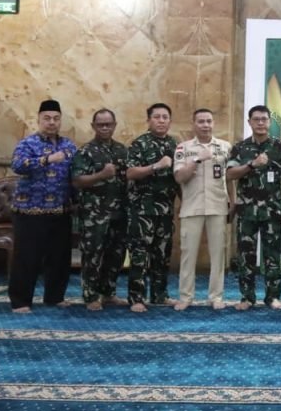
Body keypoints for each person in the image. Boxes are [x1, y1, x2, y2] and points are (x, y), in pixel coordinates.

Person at [8, 99, 78, 313]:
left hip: (60, 210)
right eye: (47, 118)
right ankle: (20, 301)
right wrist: (47, 159)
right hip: (30, 211)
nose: (52, 122)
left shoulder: (69, 146)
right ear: (38, 120)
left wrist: (76, 201)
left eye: (56, 118)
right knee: (27, 258)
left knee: (59, 258)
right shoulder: (28, 144)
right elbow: (17, 165)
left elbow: (74, 176)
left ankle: (55, 297)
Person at [226, 105, 281, 310]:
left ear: (269, 122)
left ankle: (273, 297)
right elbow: (229, 175)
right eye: (256, 119)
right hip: (247, 211)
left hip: (273, 211)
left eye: (264, 119)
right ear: (249, 122)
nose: (260, 123)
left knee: (272, 255)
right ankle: (247, 297)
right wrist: (251, 165)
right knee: (245, 255)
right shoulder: (240, 148)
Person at [173, 108, 232, 311]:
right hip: (192, 206)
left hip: (217, 205)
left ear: (213, 123)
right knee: (188, 254)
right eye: (201, 121)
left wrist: (233, 201)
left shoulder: (225, 147)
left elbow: (229, 178)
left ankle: (216, 296)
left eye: (209, 121)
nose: (205, 125)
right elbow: (179, 177)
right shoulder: (183, 148)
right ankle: (185, 296)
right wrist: (197, 159)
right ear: (194, 124)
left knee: (218, 254)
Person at [70, 108, 128, 311]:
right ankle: (91, 295)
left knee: (116, 254)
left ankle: (108, 293)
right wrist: (101, 175)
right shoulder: (85, 151)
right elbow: (77, 181)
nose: (105, 128)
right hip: (94, 214)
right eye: (100, 124)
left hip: (119, 212)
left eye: (108, 124)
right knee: (92, 254)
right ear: (93, 126)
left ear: (115, 125)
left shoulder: (122, 150)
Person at [126, 103, 179, 313]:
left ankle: (159, 295)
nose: (161, 121)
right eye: (157, 117)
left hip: (165, 210)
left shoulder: (175, 145)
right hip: (142, 210)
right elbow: (130, 173)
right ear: (148, 120)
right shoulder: (140, 144)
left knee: (162, 255)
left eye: (165, 117)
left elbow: (178, 178)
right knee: (140, 255)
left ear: (170, 121)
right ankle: (136, 298)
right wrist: (156, 166)